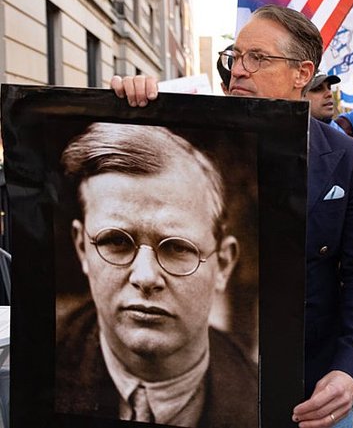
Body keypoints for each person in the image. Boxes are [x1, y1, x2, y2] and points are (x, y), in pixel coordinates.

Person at [112, 5, 353, 428]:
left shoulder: (348, 160)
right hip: (199, 389)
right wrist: (128, 110)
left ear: (302, 73)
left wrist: (349, 368)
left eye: (257, 58)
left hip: (308, 388)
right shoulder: (189, 137)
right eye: (235, 56)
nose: (237, 70)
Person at [55, 122, 257, 427]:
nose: (146, 277)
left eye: (177, 247)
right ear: (82, 248)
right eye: (116, 242)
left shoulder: (262, 401)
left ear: (223, 265)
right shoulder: (31, 366)